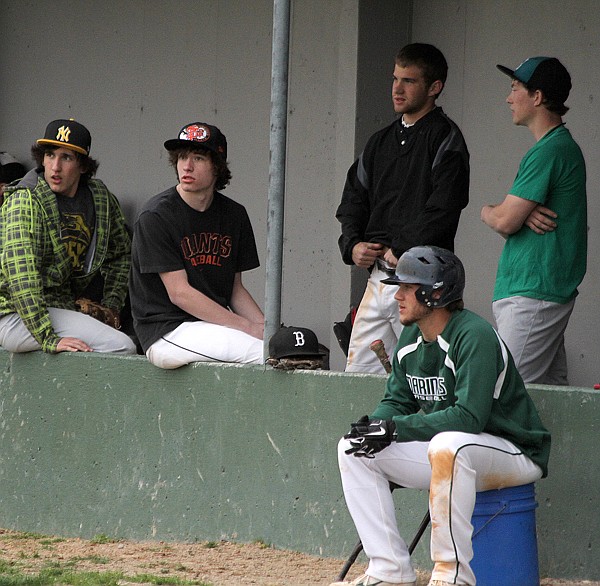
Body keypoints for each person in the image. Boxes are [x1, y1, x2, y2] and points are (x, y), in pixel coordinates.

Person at [331, 245, 550, 586]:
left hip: (513, 450)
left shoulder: (473, 335)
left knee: (449, 445)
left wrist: (395, 428)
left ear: (435, 293)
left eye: (406, 287)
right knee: (352, 449)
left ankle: (452, 576)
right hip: (458, 454)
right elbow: (397, 401)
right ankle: (389, 570)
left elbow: (468, 419)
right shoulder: (411, 338)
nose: (398, 295)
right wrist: (378, 426)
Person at [336, 43, 470, 374]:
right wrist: (352, 245)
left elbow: (446, 207)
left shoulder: (446, 138)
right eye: (395, 78)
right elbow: (353, 198)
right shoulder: (379, 141)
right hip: (379, 278)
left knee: (428, 378)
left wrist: (403, 247)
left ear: (434, 87)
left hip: (424, 282)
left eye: (409, 81)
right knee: (358, 376)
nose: (397, 88)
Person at [481, 57, 587, 385]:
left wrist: (487, 210)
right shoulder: (555, 148)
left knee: (504, 396)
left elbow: (504, 221)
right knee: (550, 406)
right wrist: (516, 215)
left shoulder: (550, 151)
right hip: (537, 291)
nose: (509, 98)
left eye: (515, 88)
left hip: (533, 293)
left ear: (537, 96)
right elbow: (513, 218)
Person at [129, 122, 264, 369]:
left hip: (212, 326)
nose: (186, 166)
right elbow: (180, 293)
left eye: (198, 158)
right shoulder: (156, 216)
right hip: (166, 331)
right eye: (181, 157)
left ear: (217, 167)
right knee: (263, 354)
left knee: (281, 348)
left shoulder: (234, 214)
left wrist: (267, 328)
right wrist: (247, 328)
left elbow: (235, 290)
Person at [0, 118, 136, 354]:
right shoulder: (25, 199)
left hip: (58, 308)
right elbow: (21, 278)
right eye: (50, 155)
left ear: (83, 166)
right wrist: (47, 338)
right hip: (12, 314)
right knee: (121, 346)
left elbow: (121, 253)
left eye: (67, 157)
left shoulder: (99, 199)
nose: (55, 166)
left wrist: (111, 306)